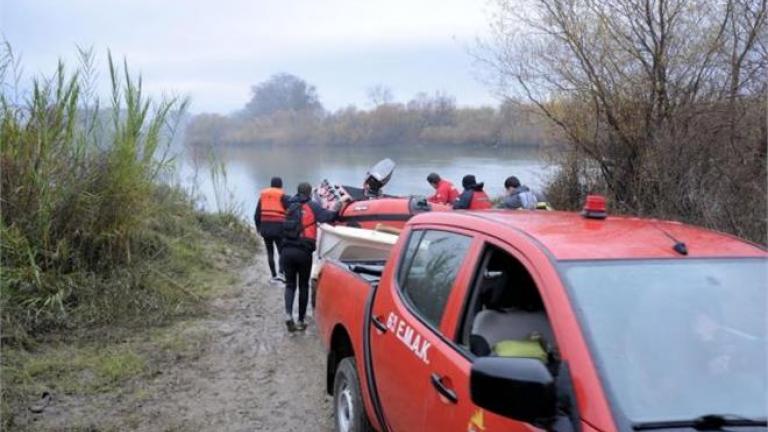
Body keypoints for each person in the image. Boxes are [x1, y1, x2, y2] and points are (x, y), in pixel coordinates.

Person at [281, 182, 342, 332]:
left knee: (290, 285)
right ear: (309, 193)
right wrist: (338, 206)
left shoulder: (288, 204)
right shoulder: (313, 205)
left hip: (286, 251)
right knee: (303, 286)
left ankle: (289, 315)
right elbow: (327, 217)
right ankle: (301, 321)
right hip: (303, 252)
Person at [254, 177, 289, 282]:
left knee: (270, 252)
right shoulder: (283, 196)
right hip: (279, 229)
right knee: (281, 252)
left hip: (265, 229)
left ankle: (273, 275)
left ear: (271, 185)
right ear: (281, 185)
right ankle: (281, 273)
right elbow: (291, 211)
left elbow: (256, 215)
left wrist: (258, 228)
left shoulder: (263, 197)